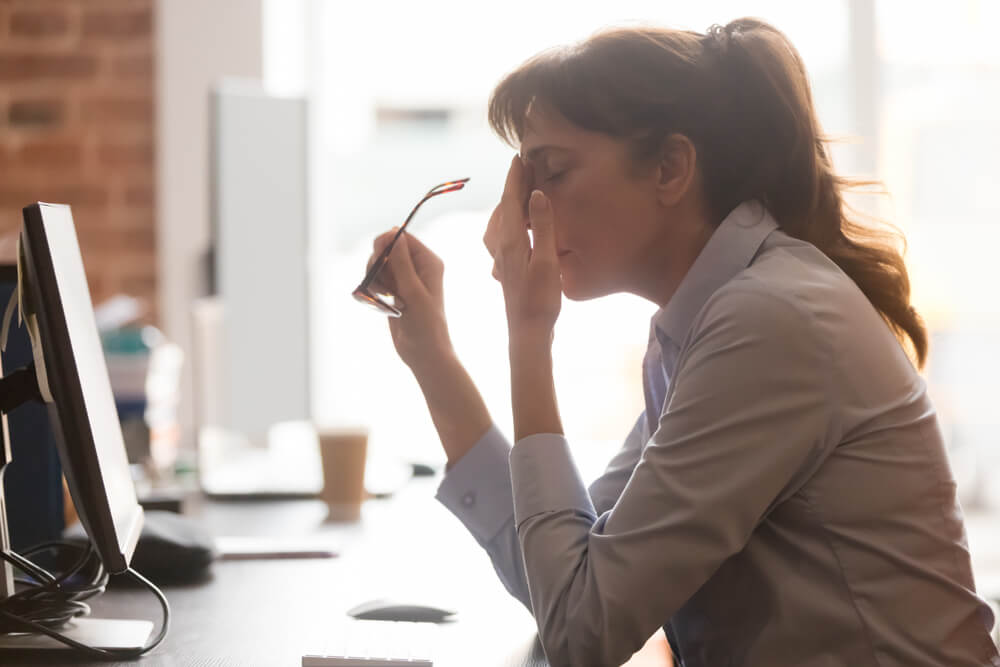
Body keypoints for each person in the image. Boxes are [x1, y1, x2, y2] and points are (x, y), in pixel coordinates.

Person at [363, 17, 1000, 667]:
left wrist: (529, 336)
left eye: (549, 172)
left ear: (670, 167)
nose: (523, 210)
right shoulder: (708, 322)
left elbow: (583, 632)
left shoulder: (768, 322)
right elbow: (560, 576)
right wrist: (432, 356)